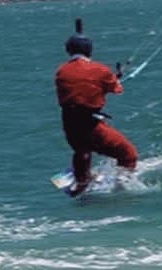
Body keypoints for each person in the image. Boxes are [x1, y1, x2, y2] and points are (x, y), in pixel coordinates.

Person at [54, 31, 137, 196]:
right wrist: (113, 80)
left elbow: (79, 89)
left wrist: (102, 84)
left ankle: (81, 179)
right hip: (90, 126)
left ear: (69, 50)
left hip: (69, 125)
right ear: (90, 50)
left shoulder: (61, 71)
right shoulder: (101, 70)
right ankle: (121, 189)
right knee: (128, 154)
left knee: (82, 149)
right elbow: (117, 89)